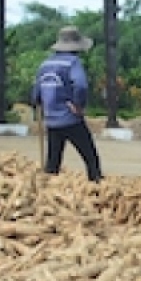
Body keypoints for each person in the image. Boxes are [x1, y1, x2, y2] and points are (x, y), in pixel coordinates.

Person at [30, 26, 102, 182]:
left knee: (53, 161)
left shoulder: (45, 65)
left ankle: (47, 190)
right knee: (90, 157)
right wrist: (78, 105)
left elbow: (36, 92)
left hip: (52, 120)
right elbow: (81, 85)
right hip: (70, 118)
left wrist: (39, 105)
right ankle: (96, 186)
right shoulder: (73, 63)